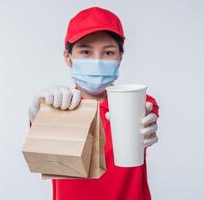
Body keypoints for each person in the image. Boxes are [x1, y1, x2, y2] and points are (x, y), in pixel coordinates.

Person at [28, 6, 160, 200]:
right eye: (86, 51)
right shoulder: (56, 108)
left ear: (120, 57)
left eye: (108, 53)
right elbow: (46, 157)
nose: (97, 61)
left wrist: (147, 124)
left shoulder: (139, 102)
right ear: (69, 57)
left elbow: (147, 115)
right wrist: (38, 114)